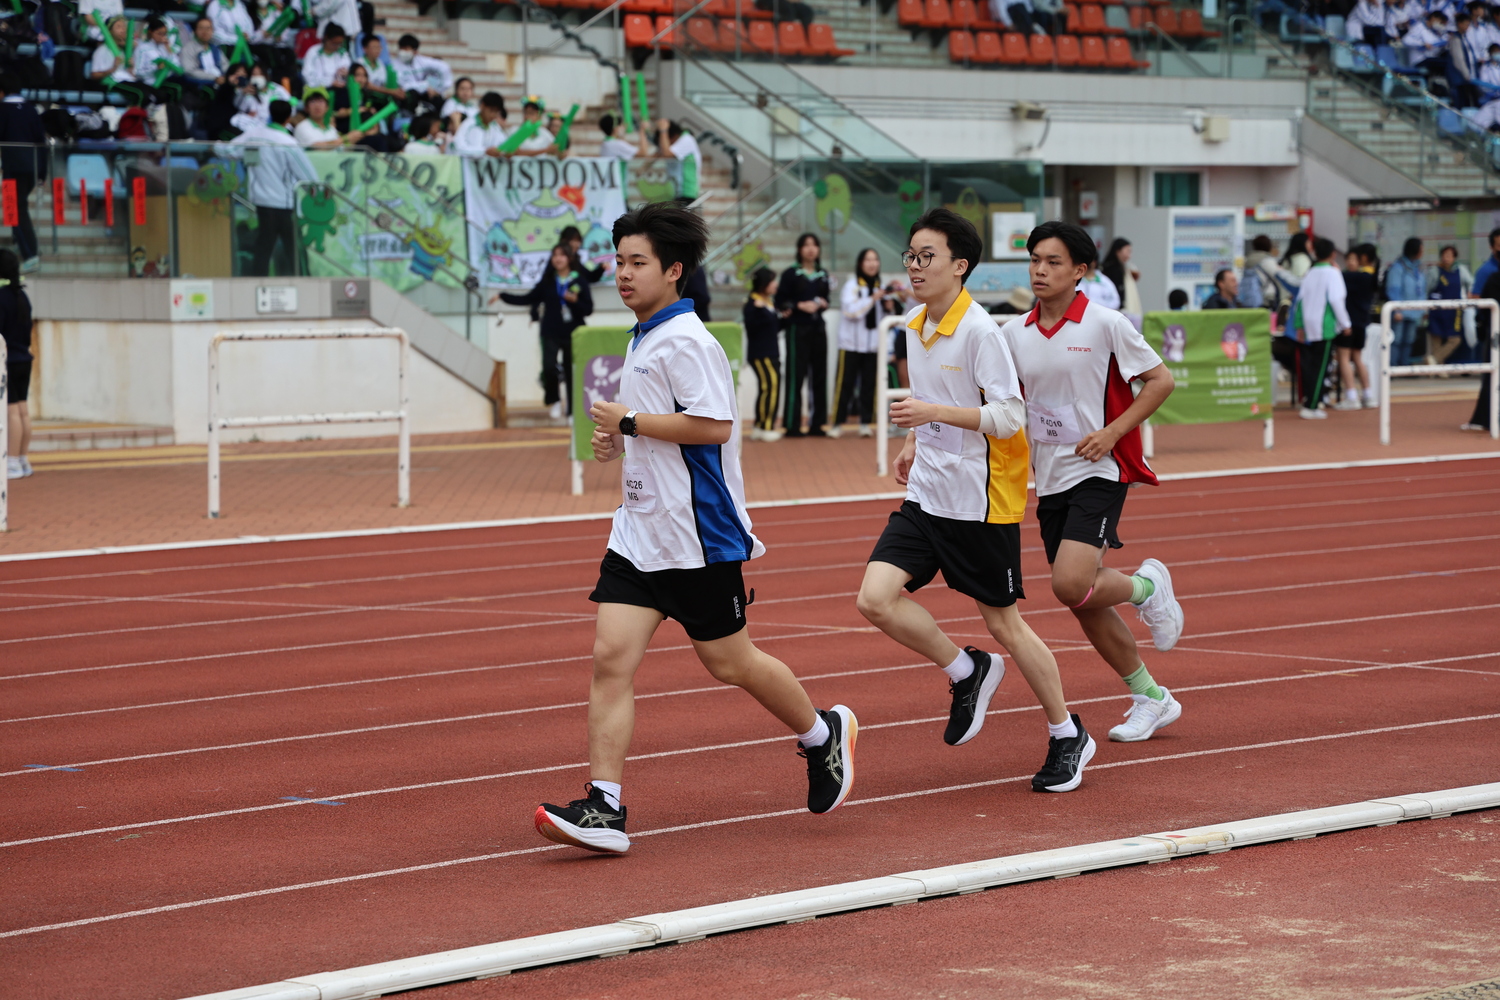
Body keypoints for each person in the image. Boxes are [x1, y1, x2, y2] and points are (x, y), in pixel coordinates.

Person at [534, 204, 856, 854]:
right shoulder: (644, 335)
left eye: (638, 262)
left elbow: (713, 426)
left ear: (674, 270)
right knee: (609, 660)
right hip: (639, 533)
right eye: (619, 261)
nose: (623, 274)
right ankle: (605, 807)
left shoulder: (688, 340)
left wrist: (629, 423)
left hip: (696, 537)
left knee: (730, 662)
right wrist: (618, 443)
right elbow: (656, 429)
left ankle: (823, 735)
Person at [855, 208, 1093, 791]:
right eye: (911, 255)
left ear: (960, 266)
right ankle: (967, 669)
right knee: (874, 599)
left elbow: (1009, 416)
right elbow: (930, 394)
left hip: (981, 501)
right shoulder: (915, 323)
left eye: (927, 256)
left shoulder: (982, 332)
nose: (915, 266)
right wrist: (914, 440)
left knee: (1006, 624)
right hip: (927, 493)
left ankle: (1067, 733)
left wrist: (932, 413)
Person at [999, 221, 1185, 744]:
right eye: (1034, 260)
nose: (1039, 270)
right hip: (1050, 477)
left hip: (1100, 468)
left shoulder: (1105, 324)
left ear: (1080, 270)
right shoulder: (1012, 334)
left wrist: (1112, 433)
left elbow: (1161, 380)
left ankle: (1148, 588)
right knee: (1083, 599)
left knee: (1069, 583)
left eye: (1053, 262)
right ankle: (1151, 696)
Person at [215, 100, 318, 277]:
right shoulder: (288, 142)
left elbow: (228, 151)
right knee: (293, 248)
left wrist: (214, 146)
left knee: (264, 246)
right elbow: (307, 175)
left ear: (270, 113)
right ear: (289, 118)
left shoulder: (253, 135)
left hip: (262, 202)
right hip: (284, 204)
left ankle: (257, 281)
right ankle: (304, 280)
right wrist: (315, 191)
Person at [498, 243, 592, 420]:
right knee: (549, 367)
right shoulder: (548, 281)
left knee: (571, 370)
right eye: (555, 255)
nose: (558, 259)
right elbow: (528, 298)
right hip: (550, 331)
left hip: (573, 332)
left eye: (562, 255)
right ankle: (554, 400)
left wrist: (574, 301)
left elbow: (588, 309)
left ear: (569, 258)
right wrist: (503, 296)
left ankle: (571, 409)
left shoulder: (578, 280)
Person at [831, 247, 890, 438]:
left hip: (873, 345)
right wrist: (873, 299)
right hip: (850, 344)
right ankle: (837, 423)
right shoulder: (852, 285)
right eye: (868, 260)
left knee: (869, 385)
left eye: (875, 260)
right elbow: (851, 312)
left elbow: (887, 314)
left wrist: (889, 303)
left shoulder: (882, 287)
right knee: (844, 385)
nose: (872, 264)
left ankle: (866, 422)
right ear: (860, 263)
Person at [1289, 237, 1350, 419]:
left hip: (1309, 324)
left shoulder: (1310, 272)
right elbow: (1336, 300)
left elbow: (1299, 301)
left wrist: (1299, 325)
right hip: (1325, 325)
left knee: (1311, 366)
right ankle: (1312, 405)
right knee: (1321, 367)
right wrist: (1346, 323)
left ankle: (1310, 402)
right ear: (1333, 254)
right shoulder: (1333, 273)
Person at [776, 232, 830, 437]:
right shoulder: (790, 274)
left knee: (819, 377)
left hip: (818, 328)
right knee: (795, 377)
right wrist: (799, 305)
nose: (811, 249)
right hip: (797, 329)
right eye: (806, 245)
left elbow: (826, 298)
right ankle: (792, 424)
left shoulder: (822, 273)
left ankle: (818, 424)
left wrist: (822, 303)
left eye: (814, 245)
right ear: (799, 249)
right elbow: (780, 301)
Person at [0, 75, 46, 274]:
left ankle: (30, 255)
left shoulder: (2, 110)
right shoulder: (31, 109)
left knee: (14, 209)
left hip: (13, 167)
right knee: (21, 206)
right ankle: (24, 245)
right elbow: (41, 141)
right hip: (32, 167)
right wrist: (43, 172)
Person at [1334, 242, 1379, 410]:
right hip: (1362, 323)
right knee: (1358, 358)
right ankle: (1368, 395)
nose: (1352, 262)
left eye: (1355, 258)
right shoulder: (1371, 277)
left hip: (1348, 324)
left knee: (1344, 358)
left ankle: (1351, 396)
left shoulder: (1355, 277)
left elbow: (1338, 278)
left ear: (1363, 259)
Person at [1, 249, 32, 480]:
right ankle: (22, 459)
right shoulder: (22, 296)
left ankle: (11, 462)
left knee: (11, 411)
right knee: (22, 410)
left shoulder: (2, 297)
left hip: (8, 360)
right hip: (24, 358)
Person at [744, 266, 782, 442]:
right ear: (763, 283)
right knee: (770, 387)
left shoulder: (769, 302)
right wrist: (759, 311)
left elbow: (774, 327)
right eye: (772, 281)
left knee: (768, 388)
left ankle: (760, 426)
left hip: (771, 351)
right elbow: (752, 327)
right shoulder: (753, 304)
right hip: (761, 353)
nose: (775, 284)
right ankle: (766, 427)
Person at [1426, 244, 1471, 368]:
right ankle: (1437, 370)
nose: (1446, 258)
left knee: (1455, 339)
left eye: (1450, 255)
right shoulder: (1435, 271)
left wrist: (1469, 293)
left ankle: (1433, 359)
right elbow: (1427, 289)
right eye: (1444, 255)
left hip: (1454, 312)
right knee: (1437, 341)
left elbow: (1471, 283)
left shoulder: (1461, 270)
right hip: (1437, 312)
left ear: (1454, 257)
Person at [1385, 236, 1426, 364]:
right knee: (1396, 340)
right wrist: (1397, 310)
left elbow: (1422, 289)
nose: (1422, 251)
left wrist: (1423, 309)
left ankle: (1404, 366)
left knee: (1409, 341)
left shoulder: (1419, 268)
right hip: (1400, 313)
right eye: (1421, 249)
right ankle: (1393, 367)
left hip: (1414, 312)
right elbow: (1393, 290)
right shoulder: (1398, 267)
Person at [395, 35, 452, 108]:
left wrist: (437, 90)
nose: (403, 52)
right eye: (401, 48)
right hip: (407, 95)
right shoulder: (394, 65)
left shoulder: (421, 61)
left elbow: (444, 68)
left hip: (425, 93)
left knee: (438, 100)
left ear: (415, 51)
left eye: (406, 49)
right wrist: (424, 86)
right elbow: (404, 85)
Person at [294, 88, 362, 147]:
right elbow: (317, 147)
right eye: (313, 102)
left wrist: (354, 138)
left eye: (321, 101)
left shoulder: (331, 129)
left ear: (327, 107)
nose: (317, 106)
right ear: (306, 108)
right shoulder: (302, 127)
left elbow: (340, 150)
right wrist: (346, 138)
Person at [655, 119, 701, 204]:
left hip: (686, 192)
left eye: (667, 140)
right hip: (676, 191)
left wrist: (663, 131)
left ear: (674, 136)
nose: (667, 144)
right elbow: (654, 155)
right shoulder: (679, 143)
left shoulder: (687, 139)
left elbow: (666, 153)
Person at [450, 91, 508, 157]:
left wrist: (506, 151)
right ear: (482, 106)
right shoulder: (469, 125)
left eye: (496, 112)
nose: (493, 115)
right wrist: (484, 151)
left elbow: (503, 144)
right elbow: (458, 148)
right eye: (491, 110)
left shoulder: (495, 127)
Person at [181, 16, 229, 87]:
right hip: (202, 83)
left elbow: (225, 65)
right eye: (201, 28)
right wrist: (214, 78)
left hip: (221, 80)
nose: (205, 32)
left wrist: (227, 76)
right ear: (195, 31)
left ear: (212, 30)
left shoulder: (215, 47)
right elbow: (189, 71)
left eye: (208, 28)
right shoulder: (188, 48)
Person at [1100, 238, 1141, 317]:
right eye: (1127, 251)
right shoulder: (1111, 269)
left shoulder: (1122, 268)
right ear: (1118, 251)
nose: (1129, 255)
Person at [301, 24, 351, 89]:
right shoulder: (313, 52)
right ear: (326, 38)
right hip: (318, 90)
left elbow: (350, 71)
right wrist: (330, 83)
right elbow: (307, 76)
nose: (337, 47)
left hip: (340, 89)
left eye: (340, 44)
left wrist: (347, 74)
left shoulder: (343, 54)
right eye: (334, 43)